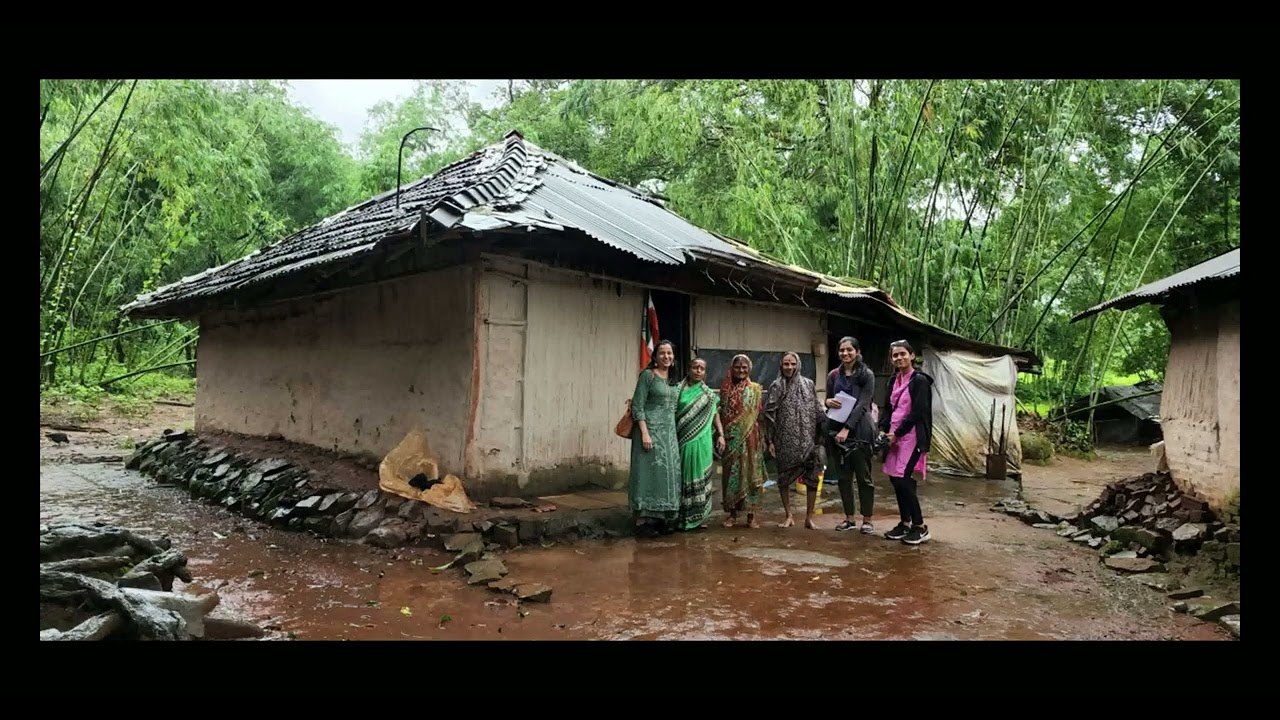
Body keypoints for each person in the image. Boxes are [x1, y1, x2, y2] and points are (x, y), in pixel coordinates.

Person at [879, 340, 935, 545]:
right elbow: (888, 408)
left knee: (903, 479)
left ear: (912, 356)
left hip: (911, 436)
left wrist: (898, 433)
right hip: (894, 435)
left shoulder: (919, 381)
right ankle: (905, 523)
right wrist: (883, 430)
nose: (899, 358)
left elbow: (918, 412)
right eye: (895, 355)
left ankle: (920, 527)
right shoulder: (894, 380)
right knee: (896, 480)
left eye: (903, 354)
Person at [762, 351, 825, 529]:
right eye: (786, 364)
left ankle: (809, 518)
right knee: (784, 478)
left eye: (792, 364)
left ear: (798, 365)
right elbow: (769, 415)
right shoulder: (776, 386)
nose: (789, 367)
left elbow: (816, 409)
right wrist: (770, 441)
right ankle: (789, 515)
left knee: (813, 475)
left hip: (807, 439)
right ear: (781, 365)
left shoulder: (808, 384)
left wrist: (822, 432)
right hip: (784, 439)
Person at [824, 337, 878, 534]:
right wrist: (827, 402)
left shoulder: (867, 375)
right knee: (843, 477)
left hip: (860, 431)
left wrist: (847, 428)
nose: (845, 354)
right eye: (841, 350)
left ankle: (867, 520)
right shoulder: (833, 375)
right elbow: (828, 399)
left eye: (849, 350)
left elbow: (864, 404)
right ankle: (849, 519)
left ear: (857, 351)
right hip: (836, 430)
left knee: (863, 477)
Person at [628, 339, 682, 537]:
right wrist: (644, 432)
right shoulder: (647, 376)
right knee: (647, 474)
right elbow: (637, 405)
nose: (666, 357)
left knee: (667, 475)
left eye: (669, 353)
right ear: (655, 356)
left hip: (669, 435)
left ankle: (662, 518)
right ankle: (643, 521)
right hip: (649, 432)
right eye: (662, 353)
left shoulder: (674, 380)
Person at [675, 358, 726, 530]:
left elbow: (715, 415)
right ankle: (682, 517)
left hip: (702, 440)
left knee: (701, 478)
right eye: (695, 367)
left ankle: (699, 517)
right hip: (683, 439)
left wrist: (721, 434)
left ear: (705, 373)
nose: (698, 371)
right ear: (688, 370)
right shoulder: (677, 391)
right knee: (684, 476)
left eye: (701, 368)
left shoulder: (709, 395)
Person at [719, 354, 767, 529]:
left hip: (751, 437)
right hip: (731, 440)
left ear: (750, 369)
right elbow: (721, 414)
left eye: (744, 367)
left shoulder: (755, 389)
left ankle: (751, 515)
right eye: (738, 367)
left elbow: (759, 415)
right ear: (732, 369)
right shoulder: (725, 389)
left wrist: (763, 439)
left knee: (750, 474)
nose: (741, 370)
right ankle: (732, 514)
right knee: (731, 475)